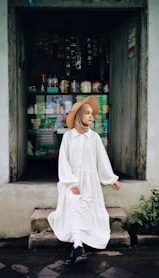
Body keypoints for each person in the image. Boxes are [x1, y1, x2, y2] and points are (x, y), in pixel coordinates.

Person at [47, 95, 120, 265]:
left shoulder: (94, 137)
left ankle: (77, 246)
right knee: (73, 205)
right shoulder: (68, 137)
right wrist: (71, 183)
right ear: (79, 115)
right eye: (87, 113)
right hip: (71, 181)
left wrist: (110, 179)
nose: (90, 116)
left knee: (85, 208)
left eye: (92, 114)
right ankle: (78, 245)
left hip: (90, 183)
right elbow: (63, 162)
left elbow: (102, 159)